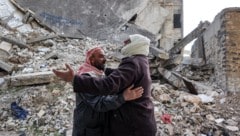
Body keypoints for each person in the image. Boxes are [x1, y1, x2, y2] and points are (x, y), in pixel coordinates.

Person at [53, 34, 157, 136]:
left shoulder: (133, 63)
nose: (105, 59)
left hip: (126, 127)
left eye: (128, 42)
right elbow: (100, 102)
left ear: (137, 44)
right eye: (101, 57)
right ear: (91, 59)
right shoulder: (86, 75)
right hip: (89, 130)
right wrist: (123, 97)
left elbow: (116, 78)